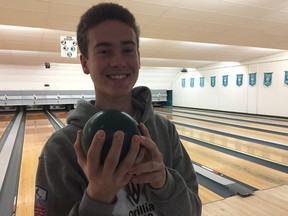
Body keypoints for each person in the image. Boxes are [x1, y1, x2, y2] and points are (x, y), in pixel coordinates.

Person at [34, 2, 202, 216]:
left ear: (139, 58)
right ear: (85, 63)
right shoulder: (60, 149)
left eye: (128, 50)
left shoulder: (165, 131)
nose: (118, 61)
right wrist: (97, 196)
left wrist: (164, 182)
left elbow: (193, 212)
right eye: (104, 51)